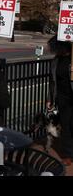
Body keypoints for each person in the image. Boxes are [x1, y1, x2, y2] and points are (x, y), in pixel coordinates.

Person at [47, 37, 73, 166]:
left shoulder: (71, 59)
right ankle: (68, 154)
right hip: (63, 98)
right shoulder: (56, 61)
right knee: (66, 125)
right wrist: (50, 98)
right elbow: (53, 82)